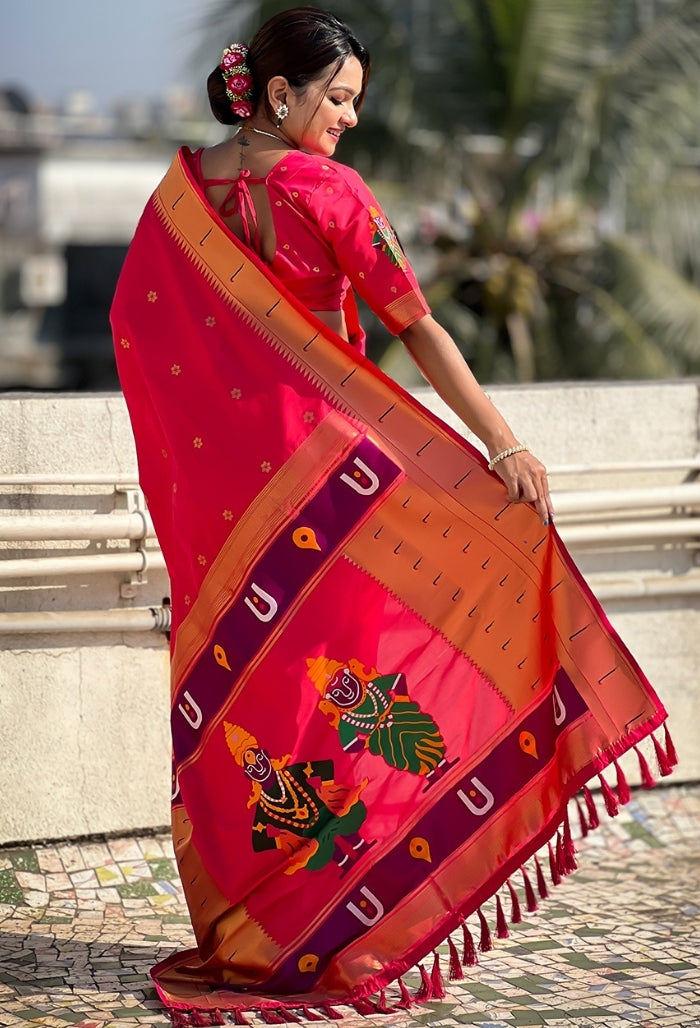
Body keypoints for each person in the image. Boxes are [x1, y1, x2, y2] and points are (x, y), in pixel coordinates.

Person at [111, 8, 672, 1025]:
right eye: (337, 98)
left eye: (355, 102)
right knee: (358, 689)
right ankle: (343, 926)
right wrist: (501, 443)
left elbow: (136, 330)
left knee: (267, 707)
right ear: (277, 94)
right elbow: (417, 328)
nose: (350, 119)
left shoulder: (177, 197)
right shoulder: (328, 192)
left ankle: (258, 931)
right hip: (341, 500)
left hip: (233, 521)